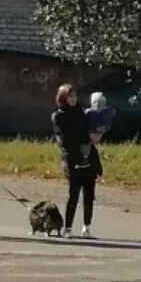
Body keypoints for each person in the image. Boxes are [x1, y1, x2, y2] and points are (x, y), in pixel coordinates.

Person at [51, 83, 102, 238]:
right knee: (73, 195)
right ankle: (67, 228)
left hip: (89, 158)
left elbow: (90, 130)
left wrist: (97, 134)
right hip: (72, 159)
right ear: (63, 98)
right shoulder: (58, 116)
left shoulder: (82, 113)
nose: (73, 99)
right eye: (69, 96)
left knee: (89, 196)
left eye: (74, 95)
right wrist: (88, 138)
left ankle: (86, 227)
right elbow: (66, 139)